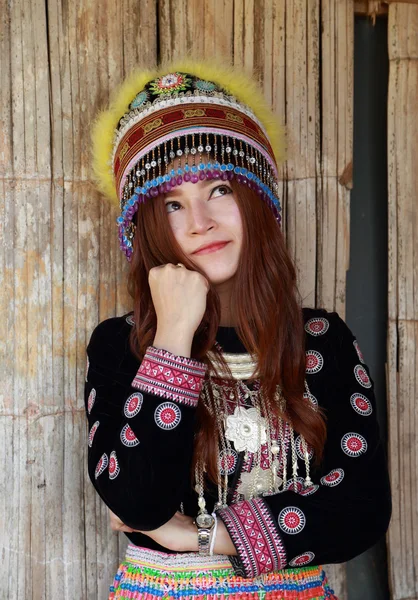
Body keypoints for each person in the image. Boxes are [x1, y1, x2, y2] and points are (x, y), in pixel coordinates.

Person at [85, 61, 392, 600]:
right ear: (149, 228)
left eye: (219, 188)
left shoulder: (321, 340)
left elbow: (359, 512)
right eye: (172, 204)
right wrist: (174, 338)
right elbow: (135, 498)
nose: (199, 220)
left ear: (257, 196)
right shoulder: (123, 346)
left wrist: (201, 534)